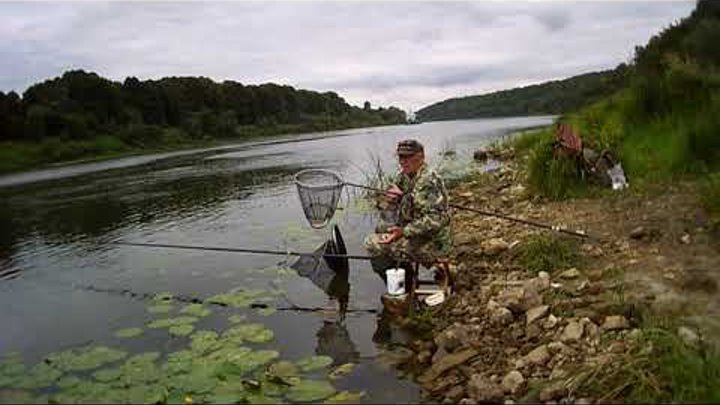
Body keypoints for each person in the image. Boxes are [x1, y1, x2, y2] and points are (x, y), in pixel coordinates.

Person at [363, 139, 451, 287]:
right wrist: (390, 200)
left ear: (421, 157)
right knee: (380, 229)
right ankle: (405, 275)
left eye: (408, 157)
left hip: (434, 238)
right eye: (401, 157)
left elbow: (436, 220)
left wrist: (403, 232)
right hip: (416, 229)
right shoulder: (405, 175)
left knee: (372, 243)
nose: (403, 161)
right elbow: (388, 205)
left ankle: (404, 285)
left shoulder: (428, 180)